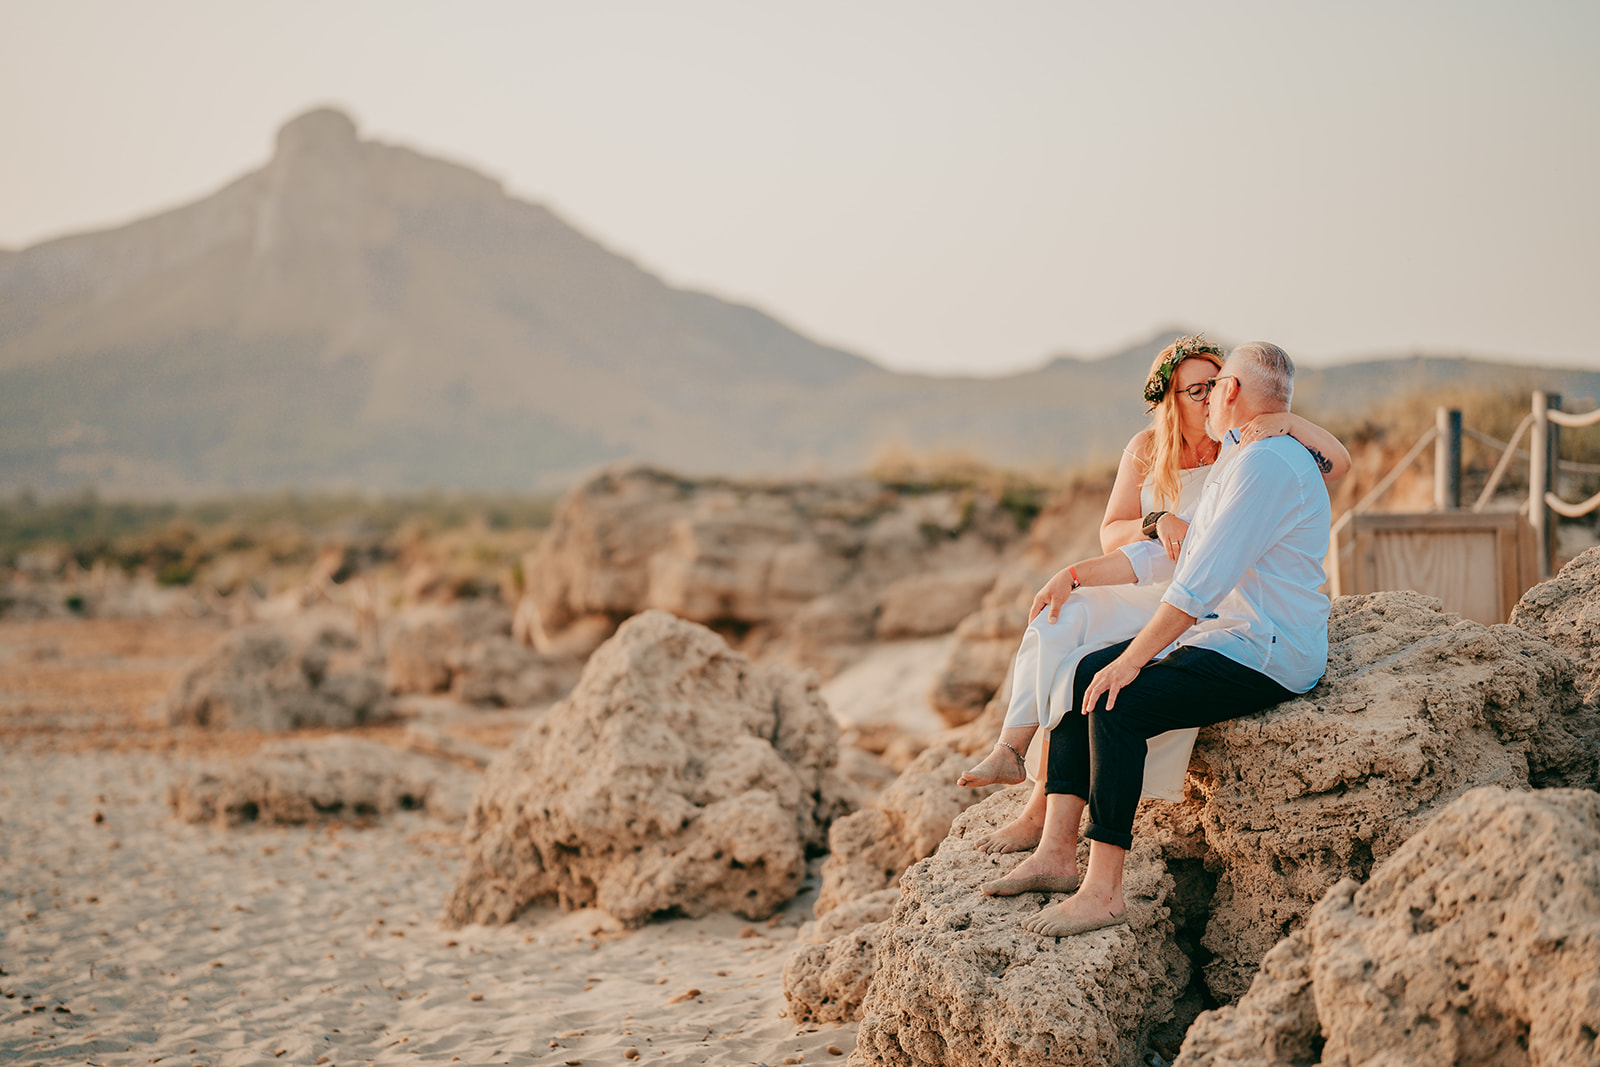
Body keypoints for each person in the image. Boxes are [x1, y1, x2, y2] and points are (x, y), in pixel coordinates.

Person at [983, 341, 1333, 937]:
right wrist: (1075, 575)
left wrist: (1132, 662)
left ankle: (1104, 891)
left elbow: (1198, 584)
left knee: (1118, 701)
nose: (1207, 397)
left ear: (1229, 393)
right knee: (1080, 671)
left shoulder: (1266, 466)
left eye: (1215, 385)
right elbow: (1179, 553)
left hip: (1270, 650)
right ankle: (1057, 854)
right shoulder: (1242, 460)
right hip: (1231, 633)